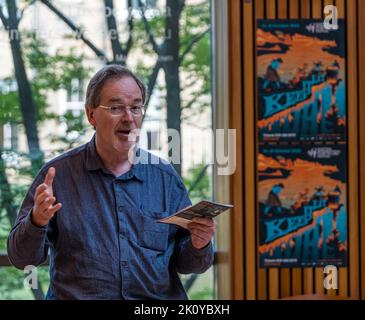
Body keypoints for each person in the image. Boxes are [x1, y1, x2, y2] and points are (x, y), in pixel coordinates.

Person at [7, 65, 216, 300]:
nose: (129, 118)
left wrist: (199, 244)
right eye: (116, 108)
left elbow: (188, 264)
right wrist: (37, 220)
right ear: (91, 115)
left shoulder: (164, 178)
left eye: (136, 107)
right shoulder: (58, 176)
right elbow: (21, 259)